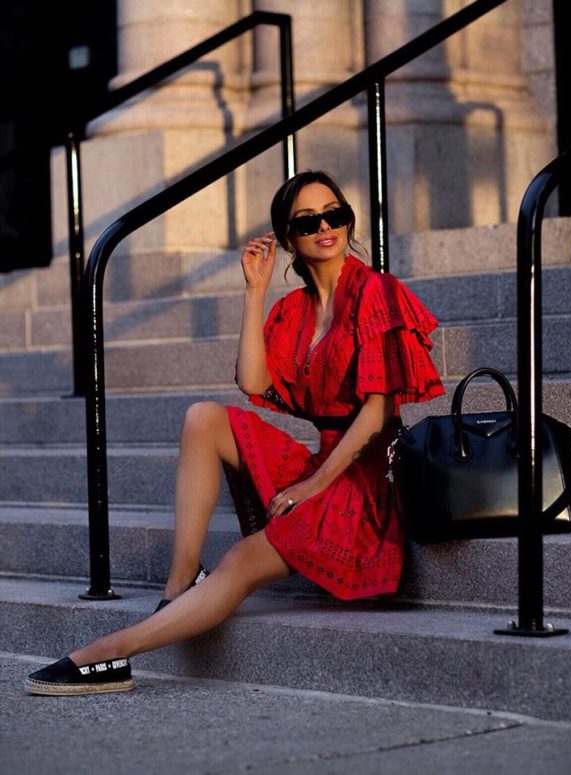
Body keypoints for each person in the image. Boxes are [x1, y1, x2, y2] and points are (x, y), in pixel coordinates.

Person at [25, 169, 445, 695]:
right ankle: (179, 584)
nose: (324, 227)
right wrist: (254, 292)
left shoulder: (376, 291)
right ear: (289, 237)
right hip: (324, 463)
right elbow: (253, 382)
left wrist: (312, 487)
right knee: (202, 416)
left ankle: (110, 653)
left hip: (364, 483)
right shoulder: (295, 309)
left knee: (243, 558)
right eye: (307, 221)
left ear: (348, 219)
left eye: (334, 214)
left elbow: (378, 412)